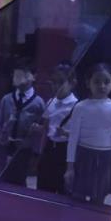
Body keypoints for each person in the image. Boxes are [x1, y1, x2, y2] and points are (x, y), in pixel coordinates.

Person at [64, 63, 111, 204]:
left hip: (105, 157)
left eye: (106, 82)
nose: (102, 86)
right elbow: (73, 138)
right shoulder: (80, 107)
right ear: (88, 83)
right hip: (83, 155)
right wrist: (70, 167)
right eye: (96, 82)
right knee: (77, 196)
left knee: (99, 198)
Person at [0, 60, 46, 186]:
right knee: (2, 182)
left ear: (33, 77)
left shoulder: (39, 103)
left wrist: (36, 153)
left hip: (25, 151)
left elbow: (42, 132)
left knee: (19, 183)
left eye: (24, 74)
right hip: (6, 149)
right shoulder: (6, 99)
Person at [36, 61, 79, 195]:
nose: (55, 86)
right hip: (49, 148)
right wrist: (38, 129)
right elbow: (46, 128)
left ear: (72, 83)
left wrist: (66, 133)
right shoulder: (51, 102)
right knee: (43, 187)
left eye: (60, 82)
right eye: (53, 82)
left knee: (63, 190)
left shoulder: (77, 106)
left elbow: (81, 135)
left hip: (66, 150)